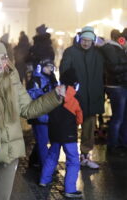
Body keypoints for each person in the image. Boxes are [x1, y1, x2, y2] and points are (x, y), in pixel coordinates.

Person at [0, 31, 65, 200]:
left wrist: (54, 97)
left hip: (9, 152)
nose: (1, 64)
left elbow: (28, 109)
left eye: (4, 58)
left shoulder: (12, 79)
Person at [59, 26, 116, 169]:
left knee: (89, 129)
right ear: (80, 39)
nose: (86, 43)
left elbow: (114, 60)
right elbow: (64, 71)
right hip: (75, 98)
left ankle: (85, 156)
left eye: (89, 40)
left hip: (93, 97)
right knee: (70, 129)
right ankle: (71, 157)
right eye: (84, 40)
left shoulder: (99, 52)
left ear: (93, 40)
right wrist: (72, 86)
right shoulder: (70, 52)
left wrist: (104, 46)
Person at [40, 67, 83, 199]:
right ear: (74, 82)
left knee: (52, 156)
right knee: (73, 160)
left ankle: (44, 180)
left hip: (54, 133)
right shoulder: (75, 98)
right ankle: (70, 189)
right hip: (69, 135)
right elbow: (79, 118)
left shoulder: (54, 93)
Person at [27, 58, 58, 170]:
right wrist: (42, 92)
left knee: (43, 140)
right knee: (43, 141)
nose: (50, 69)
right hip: (39, 115)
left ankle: (34, 161)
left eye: (51, 67)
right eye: (47, 66)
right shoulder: (35, 80)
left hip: (49, 115)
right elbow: (29, 95)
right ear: (41, 67)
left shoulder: (52, 79)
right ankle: (46, 168)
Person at [104, 29, 127, 155]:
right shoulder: (112, 49)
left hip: (122, 86)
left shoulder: (120, 50)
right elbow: (113, 68)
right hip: (117, 87)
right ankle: (113, 146)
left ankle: (122, 144)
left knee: (123, 118)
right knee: (118, 118)